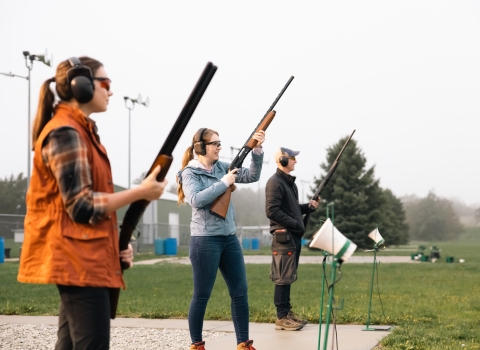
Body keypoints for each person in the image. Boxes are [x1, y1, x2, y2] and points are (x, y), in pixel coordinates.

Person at [17, 56, 167, 350]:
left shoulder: (80, 132)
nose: (110, 91)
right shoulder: (66, 133)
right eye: (106, 83)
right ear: (81, 86)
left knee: (71, 345)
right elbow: (82, 206)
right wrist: (140, 192)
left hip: (82, 258)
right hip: (77, 261)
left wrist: (115, 247)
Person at [176, 128, 265, 350]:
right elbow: (196, 200)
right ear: (200, 147)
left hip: (229, 238)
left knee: (240, 291)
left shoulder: (222, 166)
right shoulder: (190, 173)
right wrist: (224, 183)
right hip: (205, 240)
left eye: (219, 143)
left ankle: (243, 343)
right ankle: (197, 345)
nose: (219, 147)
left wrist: (257, 151)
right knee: (202, 295)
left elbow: (252, 176)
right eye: (215, 143)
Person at [265, 147, 319, 331]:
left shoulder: (289, 183)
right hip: (284, 236)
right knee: (282, 275)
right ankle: (281, 317)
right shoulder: (275, 182)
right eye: (292, 158)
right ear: (283, 160)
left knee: (287, 275)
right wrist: (295, 224)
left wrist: (306, 207)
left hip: (291, 235)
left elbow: (291, 208)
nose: (295, 161)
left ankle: (287, 313)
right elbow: (272, 210)